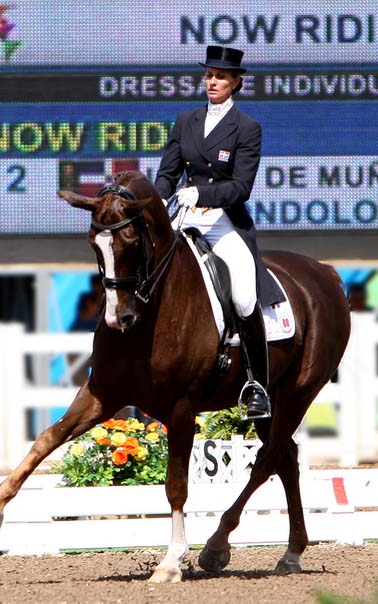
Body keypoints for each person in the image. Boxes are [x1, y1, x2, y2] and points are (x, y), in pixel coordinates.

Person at [154, 45, 282, 420]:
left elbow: (241, 187)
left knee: (243, 294)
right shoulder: (185, 121)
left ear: (236, 82)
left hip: (222, 220)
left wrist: (202, 192)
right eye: (209, 75)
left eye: (221, 76)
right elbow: (167, 172)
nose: (213, 81)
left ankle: (256, 384)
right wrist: (161, 198)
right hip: (185, 216)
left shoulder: (246, 128)